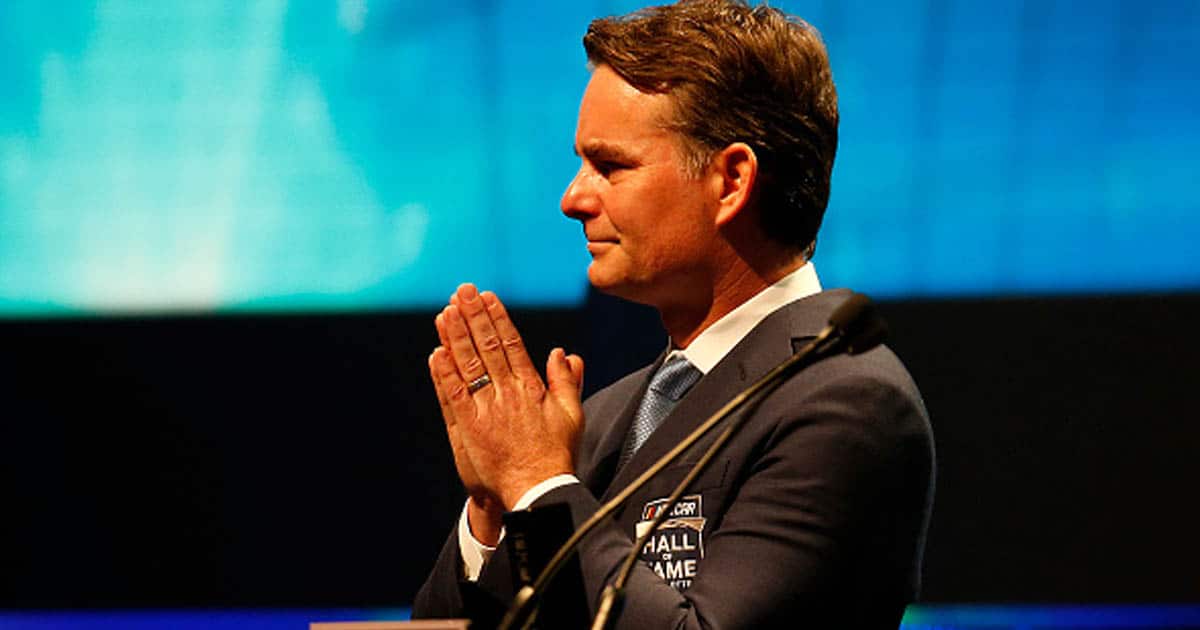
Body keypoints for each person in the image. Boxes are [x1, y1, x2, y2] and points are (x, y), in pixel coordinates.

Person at [413, 1, 935, 627]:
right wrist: (494, 511)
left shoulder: (845, 404)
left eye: (610, 166)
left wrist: (536, 486)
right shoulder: (597, 423)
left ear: (731, 180)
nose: (573, 198)